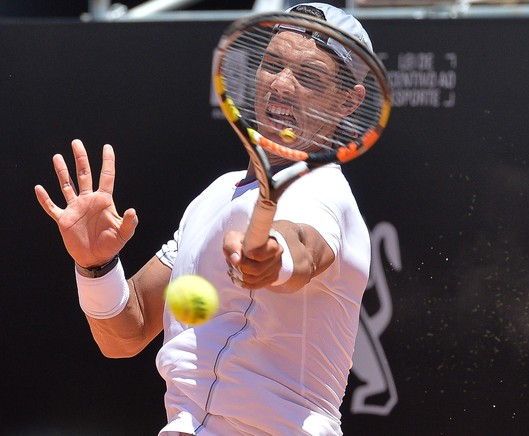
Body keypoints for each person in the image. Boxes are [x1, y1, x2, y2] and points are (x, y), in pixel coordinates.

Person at [34, 3, 373, 435]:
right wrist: (95, 266)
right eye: (271, 66)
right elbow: (126, 332)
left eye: (308, 77)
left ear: (349, 101)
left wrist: (270, 258)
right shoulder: (217, 193)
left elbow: (300, 247)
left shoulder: (323, 191)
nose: (281, 86)